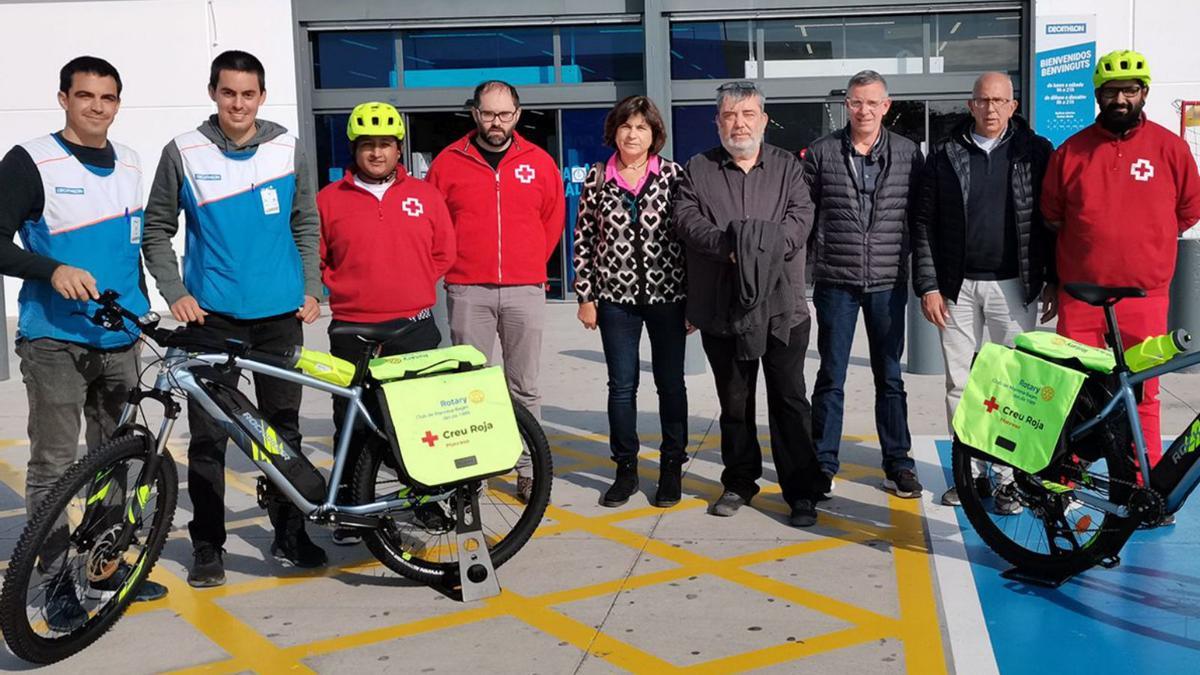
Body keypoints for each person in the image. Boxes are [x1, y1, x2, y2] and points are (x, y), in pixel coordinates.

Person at [143, 50, 326, 587]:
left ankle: (290, 532)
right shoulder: (182, 151)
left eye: (248, 94)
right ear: (213, 93)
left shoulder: (288, 148)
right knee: (209, 438)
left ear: (262, 96)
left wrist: (311, 287)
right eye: (228, 93)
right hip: (212, 319)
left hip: (279, 317)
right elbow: (156, 229)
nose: (238, 103)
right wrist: (173, 291)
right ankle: (208, 546)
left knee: (282, 433)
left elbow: (306, 224)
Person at [0, 55, 166, 628]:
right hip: (54, 340)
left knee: (113, 460)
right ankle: (52, 582)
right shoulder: (30, 161)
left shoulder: (131, 163)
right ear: (63, 98)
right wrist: (49, 269)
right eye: (85, 96)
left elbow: (130, 250)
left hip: (119, 338)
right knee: (53, 465)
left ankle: (102, 565)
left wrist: (146, 311)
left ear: (118, 103)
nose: (97, 107)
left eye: (108, 97)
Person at [1042, 50, 1200, 486]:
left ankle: (1143, 481)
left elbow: (1187, 211)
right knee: (1072, 392)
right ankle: (1065, 478)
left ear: (1143, 93)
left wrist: (1143, 245)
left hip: (1145, 298)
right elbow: (1053, 215)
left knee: (1144, 393)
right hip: (1081, 296)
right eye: (1110, 91)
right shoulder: (1071, 151)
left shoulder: (1171, 148)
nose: (1120, 99)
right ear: (1098, 96)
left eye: (1129, 90)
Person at [674, 81, 826, 527]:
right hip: (723, 311)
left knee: (790, 400)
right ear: (717, 121)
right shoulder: (698, 169)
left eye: (747, 114)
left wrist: (756, 249)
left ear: (762, 119)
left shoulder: (788, 168)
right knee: (735, 403)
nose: (738, 123)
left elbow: (801, 220)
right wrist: (732, 246)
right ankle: (740, 481)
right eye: (729, 115)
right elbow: (686, 221)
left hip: (783, 308)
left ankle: (802, 491)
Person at [912, 72, 1056, 509]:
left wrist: (1051, 277)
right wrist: (929, 285)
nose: (991, 108)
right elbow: (922, 224)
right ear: (970, 105)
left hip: (1015, 287)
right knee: (961, 384)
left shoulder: (1036, 152)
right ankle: (970, 474)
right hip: (957, 288)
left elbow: (1050, 221)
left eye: (999, 100)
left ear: (1013, 106)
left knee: (1015, 387)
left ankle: (1008, 477)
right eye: (982, 100)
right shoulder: (944, 155)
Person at [316, 101, 456, 544]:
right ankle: (348, 508)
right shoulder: (328, 200)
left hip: (412, 325)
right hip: (352, 326)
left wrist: (410, 284)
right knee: (353, 421)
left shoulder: (426, 196)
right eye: (368, 146)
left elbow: (443, 252)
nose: (377, 153)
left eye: (386, 145)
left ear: (399, 150)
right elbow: (317, 257)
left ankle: (425, 499)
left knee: (417, 422)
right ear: (355, 150)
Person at [425, 80, 565, 502]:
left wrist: (529, 263)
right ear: (475, 113)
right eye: (488, 113)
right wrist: (453, 266)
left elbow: (552, 218)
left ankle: (526, 466)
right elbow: (434, 222)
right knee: (471, 384)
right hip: (468, 289)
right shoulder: (448, 163)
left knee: (524, 385)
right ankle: (477, 470)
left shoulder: (539, 162)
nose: (496, 122)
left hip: (524, 289)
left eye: (504, 114)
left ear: (517, 115)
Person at [804, 70, 924, 500]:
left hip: (888, 283)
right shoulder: (820, 154)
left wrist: (923, 277)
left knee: (889, 377)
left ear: (886, 106)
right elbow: (805, 219)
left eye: (872, 102)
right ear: (846, 104)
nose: (864, 110)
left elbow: (918, 221)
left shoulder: (909, 154)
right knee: (831, 375)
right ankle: (823, 462)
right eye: (856, 102)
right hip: (836, 281)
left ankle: (898, 463)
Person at [573, 95, 689, 508]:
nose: (633, 134)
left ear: (654, 133)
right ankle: (625, 469)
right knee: (622, 387)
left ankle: (672, 466)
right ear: (615, 132)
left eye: (641, 127)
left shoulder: (674, 176)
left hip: (668, 296)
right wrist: (586, 295)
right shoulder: (598, 177)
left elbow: (689, 240)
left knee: (670, 384)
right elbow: (583, 239)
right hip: (615, 300)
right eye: (626, 126)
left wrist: (693, 301)